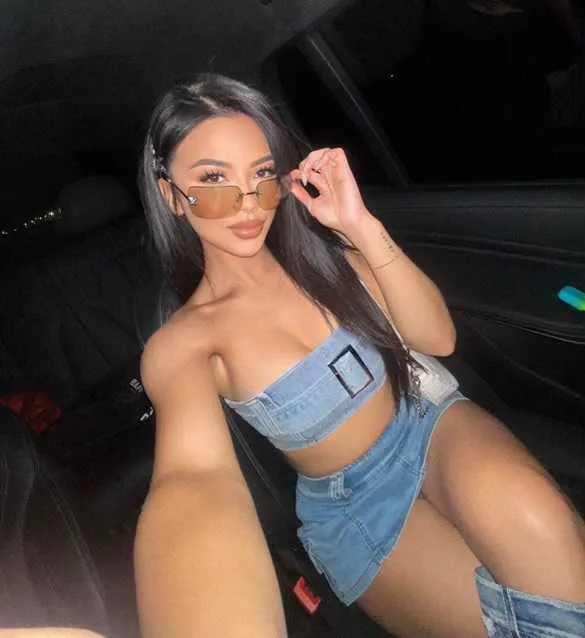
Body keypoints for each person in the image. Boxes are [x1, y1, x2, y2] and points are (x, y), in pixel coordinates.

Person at [135, 73, 585, 638]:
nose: (248, 203)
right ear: (171, 195)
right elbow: (194, 481)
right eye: (214, 180)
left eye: (263, 174)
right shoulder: (184, 343)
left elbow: (439, 339)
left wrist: (360, 225)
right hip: (353, 504)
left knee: (547, 533)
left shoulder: (325, 257)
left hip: (427, 422)